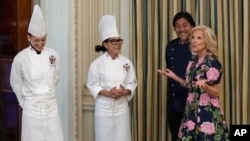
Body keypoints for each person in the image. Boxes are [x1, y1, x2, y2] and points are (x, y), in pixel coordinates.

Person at [158, 25, 230, 140]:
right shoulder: (193, 62)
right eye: (193, 37)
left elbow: (216, 93)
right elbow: (191, 87)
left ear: (207, 41)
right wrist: (174, 77)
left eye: (199, 38)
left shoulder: (212, 62)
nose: (194, 41)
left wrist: (205, 86)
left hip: (206, 113)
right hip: (191, 111)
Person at [10, 5, 64, 141]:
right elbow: (15, 82)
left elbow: (56, 77)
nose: (40, 43)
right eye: (36, 40)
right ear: (28, 38)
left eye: (43, 40)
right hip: (31, 109)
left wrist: (49, 94)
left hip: (50, 107)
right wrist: (25, 102)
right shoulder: (20, 58)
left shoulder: (53, 54)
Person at [87, 15, 137, 141]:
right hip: (104, 109)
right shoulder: (96, 64)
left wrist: (125, 91)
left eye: (119, 41)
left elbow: (132, 82)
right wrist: (108, 93)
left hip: (122, 108)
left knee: (123, 137)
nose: (118, 44)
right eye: (113, 41)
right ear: (105, 44)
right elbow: (92, 85)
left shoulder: (127, 62)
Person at [164, 11, 195, 141]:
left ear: (192, 26)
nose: (181, 29)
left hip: (193, 104)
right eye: (177, 26)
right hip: (174, 104)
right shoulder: (170, 46)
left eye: (185, 25)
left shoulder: (198, 46)